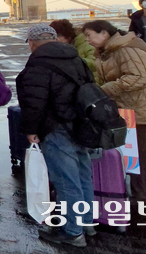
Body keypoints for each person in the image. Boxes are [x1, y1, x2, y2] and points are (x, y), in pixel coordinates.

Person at [16, 24, 95, 247]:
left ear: (32, 42)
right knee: (82, 176)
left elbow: (34, 103)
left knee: (66, 181)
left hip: (56, 128)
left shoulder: (38, 64)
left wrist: (31, 130)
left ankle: (72, 232)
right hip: (81, 125)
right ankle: (86, 223)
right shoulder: (76, 58)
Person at [83, 20, 146, 203]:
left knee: (144, 155)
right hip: (132, 108)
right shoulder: (107, 51)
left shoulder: (125, 49)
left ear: (104, 33)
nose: (88, 40)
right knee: (135, 155)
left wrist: (104, 90)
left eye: (89, 35)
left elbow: (139, 77)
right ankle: (138, 192)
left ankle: (143, 198)